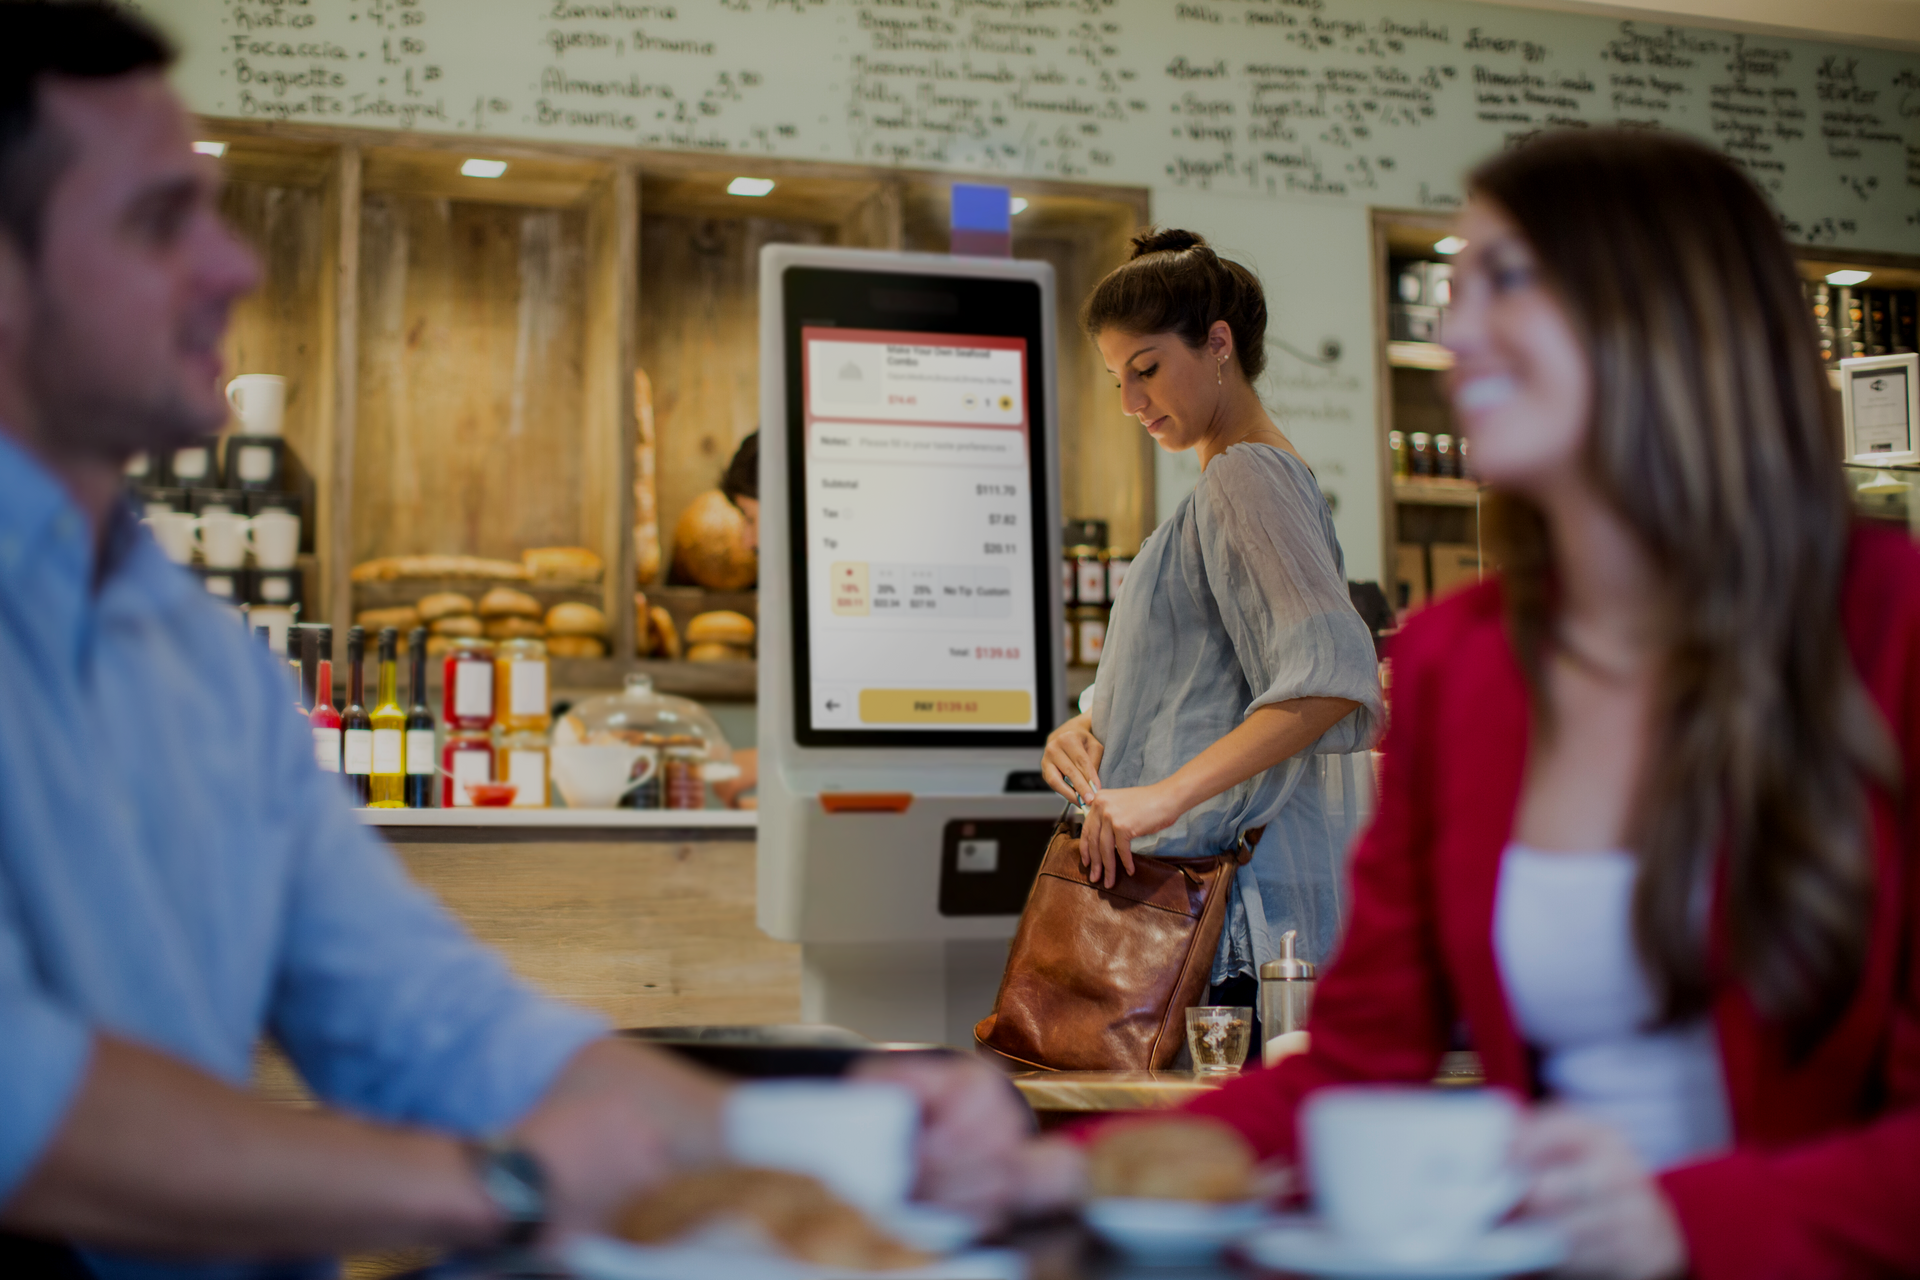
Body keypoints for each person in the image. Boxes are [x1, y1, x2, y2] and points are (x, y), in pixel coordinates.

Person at [0, 7, 1025, 1276]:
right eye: (161, 222)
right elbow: (28, 1105)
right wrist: (499, 1181)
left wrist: (823, 1142)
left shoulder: (185, 649)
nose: (234, 266)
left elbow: (420, 1010)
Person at [1022, 129, 1920, 1278]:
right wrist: (1057, 1162)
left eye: (1507, 281)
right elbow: (1357, 1069)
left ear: (1666, 313)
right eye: (1455, 290)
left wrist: (1682, 1223)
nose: (1456, 333)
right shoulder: (1464, 662)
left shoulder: (1884, 637)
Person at [1039, 229, 1383, 1009]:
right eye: (1116, 378)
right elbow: (1213, 685)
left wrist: (1166, 796)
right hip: (1202, 914)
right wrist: (1093, 723)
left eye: (1148, 369)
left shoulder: (1245, 478)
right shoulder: (1235, 481)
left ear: (1218, 343)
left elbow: (1331, 677)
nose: (1131, 401)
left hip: (1220, 920)